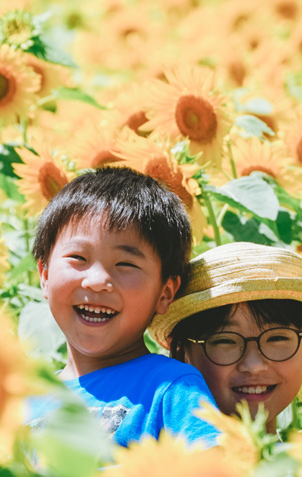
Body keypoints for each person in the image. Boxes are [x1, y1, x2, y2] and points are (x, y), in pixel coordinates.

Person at [29, 166, 221, 447]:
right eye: (78, 258)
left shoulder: (171, 389)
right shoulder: (21, 404)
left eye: (125, 264)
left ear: (165, 293)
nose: (97, 281)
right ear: (44, 274)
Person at [149, 242, 302, 435]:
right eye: (225, 341)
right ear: (182, 353)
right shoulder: (163, 462)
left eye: (276, 338)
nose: (254, 365)